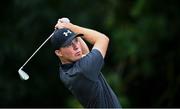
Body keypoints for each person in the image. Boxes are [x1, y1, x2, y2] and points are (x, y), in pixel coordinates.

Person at [50, 18, 121, 108]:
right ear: (58, 53)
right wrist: (71, 27)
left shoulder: (65, 70)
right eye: (68, 44)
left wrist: (70, 28)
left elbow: (85, 54)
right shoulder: (83, 71)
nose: (76, 47)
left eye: (75, 40)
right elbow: (103, 39)